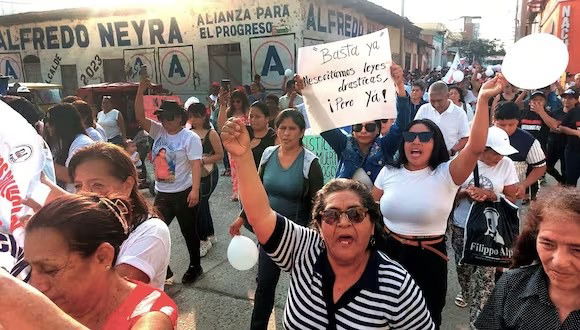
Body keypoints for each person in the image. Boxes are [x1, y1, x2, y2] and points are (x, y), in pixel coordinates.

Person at [220, 119, 436, 330]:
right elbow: (260, 216)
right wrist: (243, 157)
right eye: (331, 215)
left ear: (372, 224)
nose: (343, 222)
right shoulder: (302, 248)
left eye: (355, 214)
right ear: (319, 224)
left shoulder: (397, 286)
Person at [372, 75, 507, 328]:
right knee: (383, 318)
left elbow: (475, 147)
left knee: (425, 319)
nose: (416, 142)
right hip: (387, 255)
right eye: (411, 136)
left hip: (428, 257)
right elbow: (368, 207)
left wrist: (484, 100)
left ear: (435, 144)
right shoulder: (389, 172)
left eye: (424, 138)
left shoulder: (447, 173)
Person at [13, 194, 178, 329]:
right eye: (30, 269)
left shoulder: (149, 316)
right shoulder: (59, 304)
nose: (36, 285)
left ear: (103, 257)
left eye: (50, 269)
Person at [229, 109, 321, 329]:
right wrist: (242, 217)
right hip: (269, 233)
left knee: (304, 288)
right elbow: (257, 191)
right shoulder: (268, 154)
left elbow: (318, 205)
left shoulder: (311, 163)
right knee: (265, 285)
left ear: (301, 132)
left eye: (292, 128)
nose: (286, 133)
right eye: (282, 128)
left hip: (299, 237)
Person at [65, 142, 171, 290]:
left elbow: (112, 294)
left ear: (127, 185)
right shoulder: (89, 225)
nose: (85, 194)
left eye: (97, 185)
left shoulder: (151, 231)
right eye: (78, 186)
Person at [474, 186, 580, 329]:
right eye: (548, 244)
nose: (559, 262)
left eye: (577, 250)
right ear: (535, 238)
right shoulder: (510, 285)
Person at [135, 80, 203, 284]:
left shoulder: (189, 138)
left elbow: (196, 164)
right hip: (162, 193)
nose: (165, 121)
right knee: (154, 231)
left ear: (180, 118)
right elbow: (139, 116)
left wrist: (196, 190)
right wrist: (140, 90)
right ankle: (166, 270)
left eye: (169, 118)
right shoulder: (158, 132)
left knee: (188, 231)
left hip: (183, 192)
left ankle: (195, 265)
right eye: (162, 117)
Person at [450, 126, 519, 327]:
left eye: (502, 154)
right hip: (462, 226)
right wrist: (466, 193)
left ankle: (477, 323)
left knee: (485, 280)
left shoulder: (506, 164)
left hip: (489, 232)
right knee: (463, 268)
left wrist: (490, 195)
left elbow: (511, 196)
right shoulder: (461, 161)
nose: (499, 158)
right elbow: (444, 194)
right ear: (482, 148)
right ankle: (465, 289)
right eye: (496, 153)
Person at [313, 64, 410, 188]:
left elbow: (402, 125)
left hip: (375, 205)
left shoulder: (385, 146)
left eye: (369, 127)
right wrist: (308, 93)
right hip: (343, 203)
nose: (363, 131)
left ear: (377, 130)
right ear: (352, 130)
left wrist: (399, 85)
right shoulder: (343, 144)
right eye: (358, 127)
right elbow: (323, 122)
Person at [187, 102, 224, 257]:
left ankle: (203, 241)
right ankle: (209, 234)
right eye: (190, 116)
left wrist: (201, 161)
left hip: (208, 174)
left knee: (199, 205)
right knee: (203, 204)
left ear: (204, 116)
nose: (193, 120)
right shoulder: (187, 132)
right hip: (193, 174)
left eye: (197, 116)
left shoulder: (211, 133)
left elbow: (220, 155)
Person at [494, 102, 547, 202]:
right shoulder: (483, 137)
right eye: (501, 125)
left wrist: (524, 184)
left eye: (511, 124)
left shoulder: (528, 141)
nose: (507, 129)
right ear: (493, 121)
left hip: (512, 195)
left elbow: (540, 167)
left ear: (518, 122)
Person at [44, 103, 95, 192]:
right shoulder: (61, 143)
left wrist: (43, 162)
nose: (47, 124)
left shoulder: (83, 143)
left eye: (49, 120)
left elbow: (73, 176)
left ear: (62, 122)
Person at [415, 81, 470, 156]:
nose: (436, 104)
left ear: (447, 96)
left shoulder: (459, 113)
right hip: (425, 157)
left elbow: (465, 138)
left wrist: (451, 151)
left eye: (439, 101)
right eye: (432, 101)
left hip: (448, 160)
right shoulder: (424, 109)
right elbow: (415, 131)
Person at [218, 89, 250, 201]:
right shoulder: (228, 112)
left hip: (246, 145)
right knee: (234, 169)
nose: (236, 104)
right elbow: (221, 126)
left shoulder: (248, 113)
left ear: (243, 101)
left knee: (246, 169)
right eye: (234, 101)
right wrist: (222, 105)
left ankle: (246, 191)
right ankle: (236, 192)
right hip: (232, 145)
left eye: (238, 101)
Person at [545, 89, 577, 184]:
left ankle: (566, 188)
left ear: (576, 100)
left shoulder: (577, 113)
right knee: (547, 167)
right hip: (553, 145)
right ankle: (562, 182)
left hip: (569, 147)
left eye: (570, 98)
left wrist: (562, 128)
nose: (566, 100)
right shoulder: (555, 112)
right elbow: (549, 127)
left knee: (566, 171)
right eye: (564, 98)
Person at [559, 100, 580, 186]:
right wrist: (576, 133)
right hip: (573, 152)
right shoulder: (575, 112)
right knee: (571, 182)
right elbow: (561, 127)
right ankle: (571, 199)